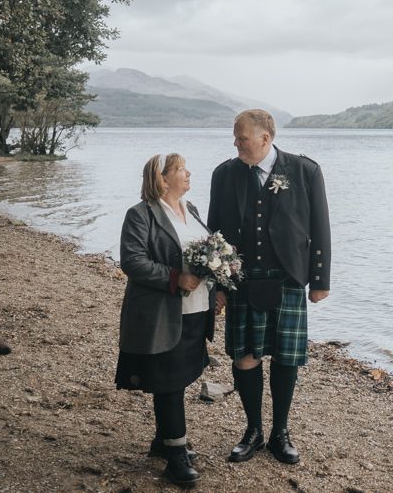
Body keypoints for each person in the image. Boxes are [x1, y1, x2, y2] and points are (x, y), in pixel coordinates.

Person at [208, 109, 331, 465]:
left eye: (241, 137)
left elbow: (320, 226)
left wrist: (319, 281)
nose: (236, 143)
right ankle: (252, 431)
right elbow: (215, 232)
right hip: (242, 281)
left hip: (287, 278)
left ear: (265, 138)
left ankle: (281, 432)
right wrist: (217, 285)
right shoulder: (225, 174)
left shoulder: (305, 170)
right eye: (235, 136)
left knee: (285, 358)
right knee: (245, 357)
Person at [115, 153, 224, 487]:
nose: (188, 173)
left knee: (181, 375)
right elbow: (132, 261)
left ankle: (163, 443)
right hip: (163, 314)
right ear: (162, 179)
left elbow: (208, 256)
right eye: (180, 170)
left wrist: (218, 289)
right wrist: (174, 278)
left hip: (196, 310)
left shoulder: (190, 210)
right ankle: (176, 456)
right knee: (169, 382)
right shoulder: (140, 215)